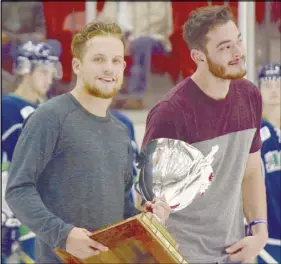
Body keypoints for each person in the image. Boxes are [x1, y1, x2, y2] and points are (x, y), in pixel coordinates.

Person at [5, 20, 171, 263]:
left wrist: (146, 218)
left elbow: (121, 211)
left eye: (116, 61)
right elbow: (18, 190)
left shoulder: (121, 131)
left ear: (124, 67)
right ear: (77, 65)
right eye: (98, 59)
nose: (108, 68)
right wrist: (64, 236)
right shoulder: (50, 117)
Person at [141, 5, 268, 263]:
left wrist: (259, 231)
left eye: (238, 42)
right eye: (225, 47)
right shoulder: (171, 114)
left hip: (235, 253)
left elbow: (251, 171)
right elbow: (147, 202)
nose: (238, 53)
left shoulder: (250, 96)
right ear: (198, 56)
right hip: (182, 256)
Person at [1, 40, 62, 264]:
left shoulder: (51, 109)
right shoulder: (6, 107)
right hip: (11, 210)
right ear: (26, 70)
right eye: (44, 72)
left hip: (45, 209)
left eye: (52, 73)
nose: (49, 79)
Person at [257, 63, 281, 264]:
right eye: (268, 85)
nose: (274, 90)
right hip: (269, 233)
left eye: (279, 84)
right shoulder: (255, 131)